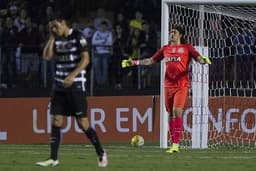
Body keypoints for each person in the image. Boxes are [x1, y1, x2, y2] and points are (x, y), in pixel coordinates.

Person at [121, 24, 211, 153]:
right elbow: (151, 61)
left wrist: (204, 60)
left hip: (182, 85)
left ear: (180, 34)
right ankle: (173, 142)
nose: (171, 34)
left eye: (174, 32)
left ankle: (176, 144)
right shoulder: (165, 49)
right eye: (170, 32)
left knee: (177, 111)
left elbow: (198, 58)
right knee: (170, 115)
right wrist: (133, 62)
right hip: (168, 86)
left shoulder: (187, 48)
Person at [35, 14, 108, 167]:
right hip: (59, 85)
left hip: (76, 85)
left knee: (83, 123)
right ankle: (53, 158)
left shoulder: (77, 36)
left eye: (55, 26)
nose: (53, 29)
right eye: (51, 27)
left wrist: (72, 75)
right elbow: (47, 57)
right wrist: (51, 37)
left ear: (63, 22)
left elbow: (86, 59)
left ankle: (101, 152)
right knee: (56, 119)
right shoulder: (55, 38)